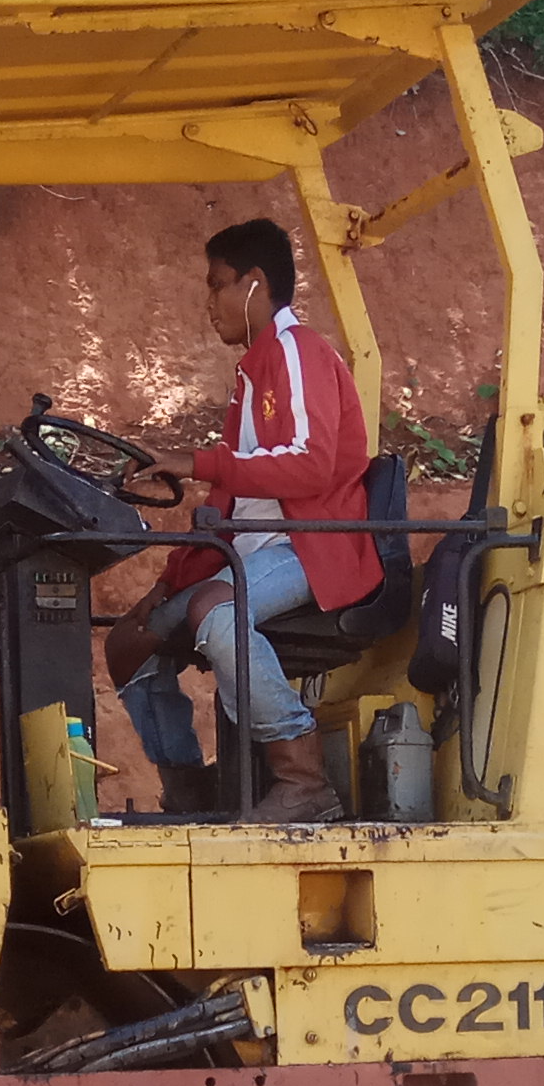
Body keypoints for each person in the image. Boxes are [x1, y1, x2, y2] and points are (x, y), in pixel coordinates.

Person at [104, 218, 376, 824]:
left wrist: (196, 462)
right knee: (129, 641)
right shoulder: (253, 374)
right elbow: (232, 505)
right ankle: (191, 792)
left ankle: (303, 777)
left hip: (311, 549)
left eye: (217, 285)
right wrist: (169, 581)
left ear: (256, 284)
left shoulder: (298, 352)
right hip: (252, 553)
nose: (209, 303)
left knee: (215, 613)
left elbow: (310, 466)